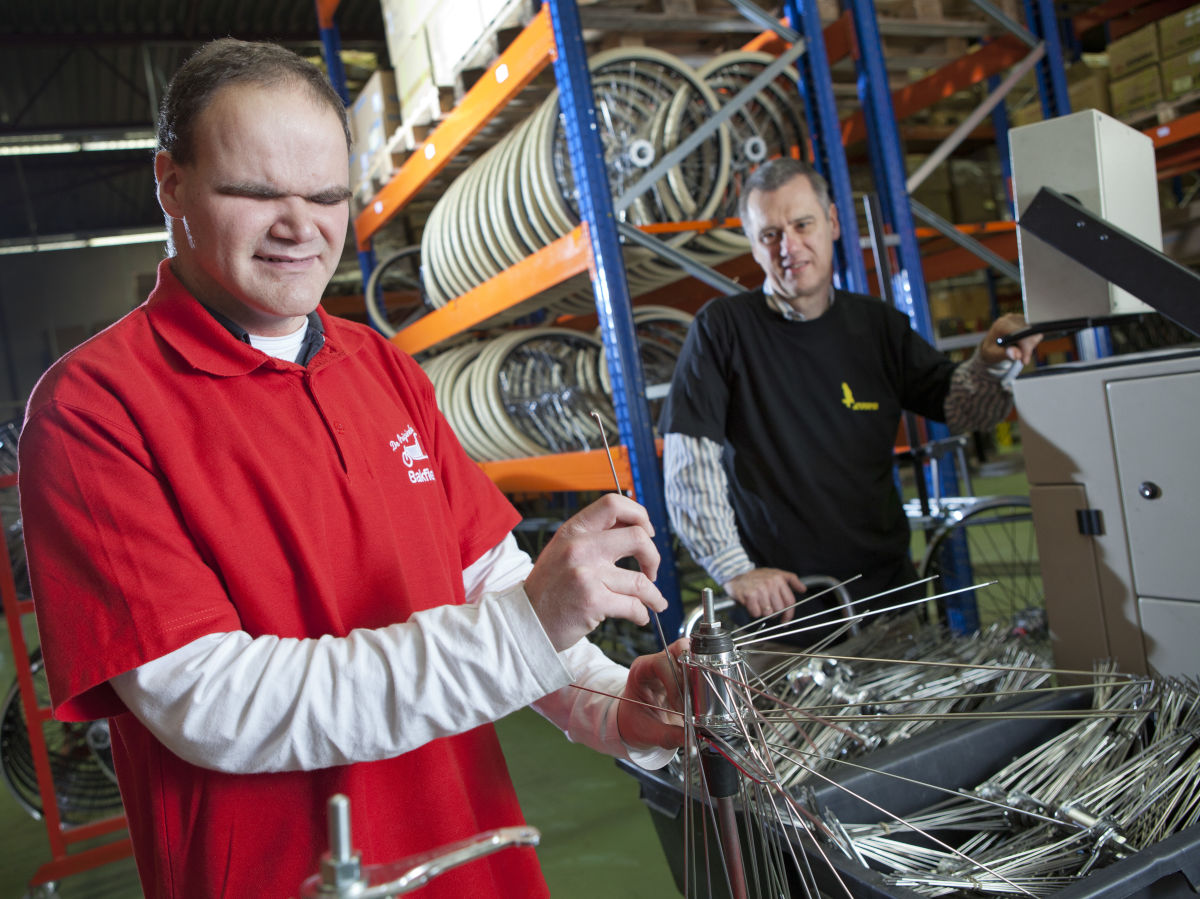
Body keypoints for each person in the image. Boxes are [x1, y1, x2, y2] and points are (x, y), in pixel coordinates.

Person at [17, 39, 687, 899]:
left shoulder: (378, 365)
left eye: (328, 194)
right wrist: (526, 626)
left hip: (472, 862)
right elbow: (214, 704)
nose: (302, 226)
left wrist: (611, 703)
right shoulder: (93, 412)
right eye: (255, 192)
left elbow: (488, 581)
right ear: (170, 183)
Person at [659, 157, 1042, 629]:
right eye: (770, 235)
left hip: (888, 600)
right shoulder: (723, 330)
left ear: (833, 223)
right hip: (784, 612)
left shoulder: (877, 326)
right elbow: (689, 459)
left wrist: (992, 361)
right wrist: (734, 569)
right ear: (755, 247)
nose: (789, 247)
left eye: (803, 225)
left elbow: (962, 409)